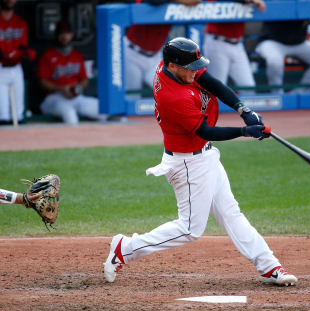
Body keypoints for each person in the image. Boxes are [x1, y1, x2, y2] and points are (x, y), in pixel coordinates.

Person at [103, 37, 298, 287]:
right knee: (189, 230)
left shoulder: (178, 69)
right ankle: (126, 248)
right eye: (191, 68)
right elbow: (206, 131)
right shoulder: (174, 97)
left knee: (230, 212)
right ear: (173, 66)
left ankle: (269, 266)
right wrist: (245, 132)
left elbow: (211, 82)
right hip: (187, 165)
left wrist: (243, 110)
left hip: (204, 156)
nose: (196, 72)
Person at [124, 0, 201, 98]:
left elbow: (196, 1)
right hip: (132, 53)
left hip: (155, 56)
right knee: (132, 96)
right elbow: (155, 2)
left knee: (171, 91)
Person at [37, 21, 106, 125]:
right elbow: (42, 82)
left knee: (103, 109)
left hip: (76, 97)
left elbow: (84, 80)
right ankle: (74, 141)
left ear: (72, 35)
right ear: (57, 35)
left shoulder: (77, 56)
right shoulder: (48, 56)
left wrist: (77, 89)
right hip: (54, 98)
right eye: (61, 33)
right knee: (69, 114)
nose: (64, 36)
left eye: (67, 33)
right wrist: (62, 89)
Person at [203, 0, 265, 94]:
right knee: (217, 88)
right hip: (217, 41)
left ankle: (242, 109)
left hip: (237, 44)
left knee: (248, 87)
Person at [255, 20, 310, 93]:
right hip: (272, 41)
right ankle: (277, 94)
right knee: (275, 61)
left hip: (299, 43)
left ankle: (300, 92)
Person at [0, 0, 36, 125]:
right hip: (1, 68)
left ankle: (19, 142)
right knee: (2, 114)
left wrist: (25, 54)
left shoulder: (20, 22)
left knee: (18, 113)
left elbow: (24, 47)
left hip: (16, 67)